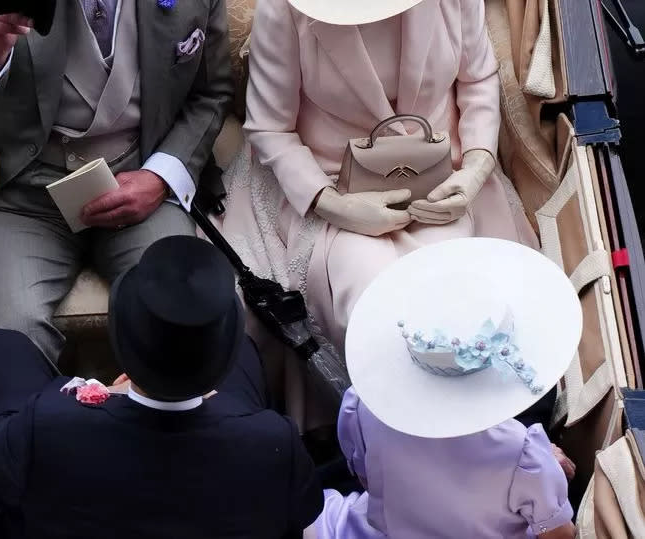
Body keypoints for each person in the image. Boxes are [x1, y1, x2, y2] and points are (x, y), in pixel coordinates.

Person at [221, 0, 538, 355]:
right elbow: (270, 127)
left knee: (466, 296)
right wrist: (334, 205)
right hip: (332, 180)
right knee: (373, 305)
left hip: (442, 175)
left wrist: (476, 170)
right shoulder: (284, 8)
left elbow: (477, 79)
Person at [0, 236, 324, 539]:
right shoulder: (272, 443)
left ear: (122, 348)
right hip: (228, 461)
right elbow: (298, 515)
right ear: (218, 368)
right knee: (246, 351)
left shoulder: (48, 422)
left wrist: (81, 392)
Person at [0, 0, 233, 363]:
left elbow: (211, 94)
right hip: (22, 196)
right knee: (15, 338)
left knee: (185, 315)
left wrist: (160, 176)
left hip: (140, 186)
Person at [314, 237, 579, 538]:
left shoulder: (361, 405)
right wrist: (547, 470)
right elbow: (560, 535)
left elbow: (367, 480)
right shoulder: (524, 453)